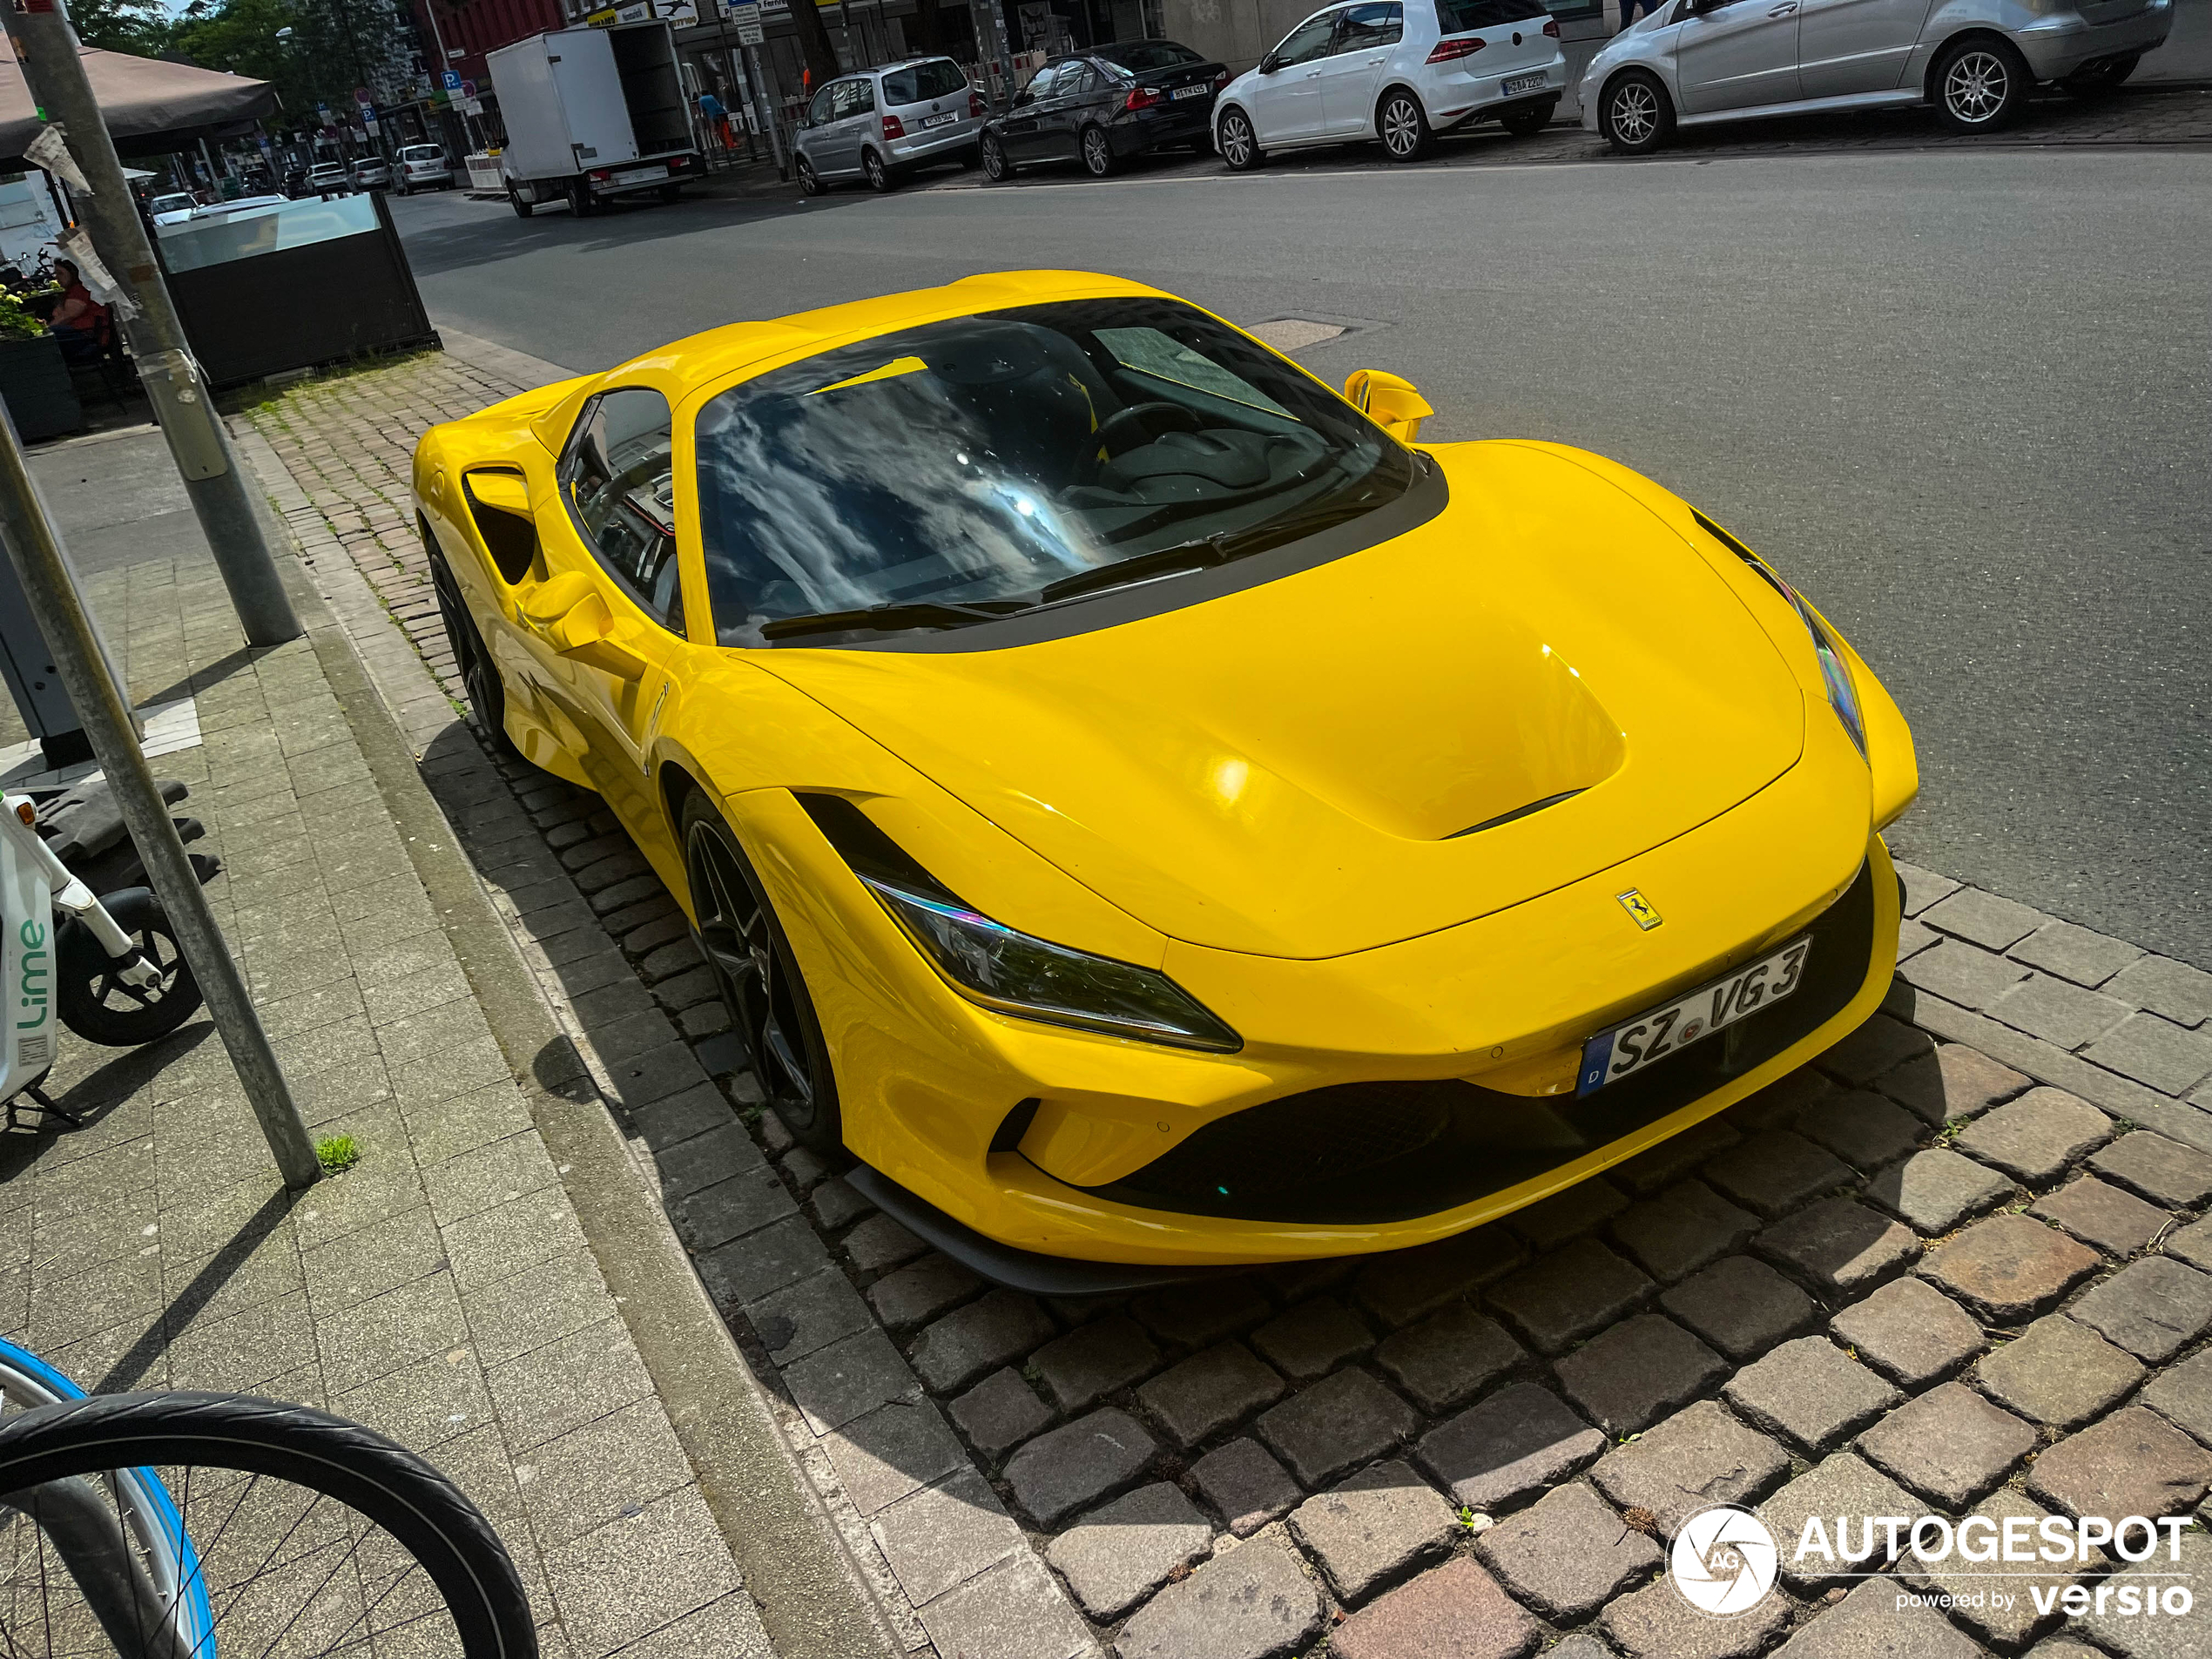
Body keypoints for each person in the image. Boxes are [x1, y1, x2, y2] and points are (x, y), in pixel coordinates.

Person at [46, 260, 111, 367]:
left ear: (73, 273)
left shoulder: (79, 290)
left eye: (60, 273)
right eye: (56, 273)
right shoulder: (72, 291)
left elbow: (67, 316)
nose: (57, 277)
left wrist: (45, 330)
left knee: (50, 336)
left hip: (87, 336)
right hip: (85, 334)